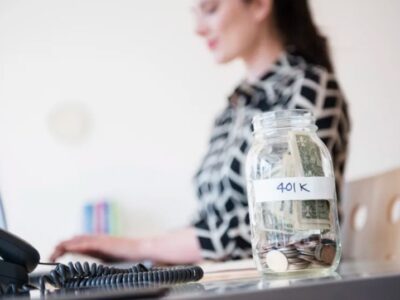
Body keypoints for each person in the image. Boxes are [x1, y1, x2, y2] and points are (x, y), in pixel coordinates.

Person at [50, 0, 350, 264]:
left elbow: (284, 227)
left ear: (259, 4)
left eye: (210, 8)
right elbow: (209, 221)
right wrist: (144, 255)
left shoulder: (311, 91)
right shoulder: (233, 109)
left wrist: (140, 247)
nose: (198, 28)